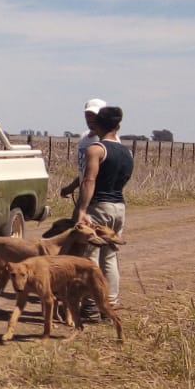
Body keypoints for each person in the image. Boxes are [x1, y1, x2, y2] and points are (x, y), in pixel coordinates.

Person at [74, 104, 132, 310]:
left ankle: (91, 305)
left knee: (91, 257)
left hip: (99, 206)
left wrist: (82, 209)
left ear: (98, 124)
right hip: (119, 207)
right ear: (118, 125)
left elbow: (89, 180)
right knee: (110, 256)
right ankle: (111, 304)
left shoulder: (96, 149)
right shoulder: (127, 152)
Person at [59, 98, 107, 204]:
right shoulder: (84, 138)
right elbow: (85, 171)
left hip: (100, 199)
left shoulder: (107, 141)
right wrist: (72, 187)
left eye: (94, 115)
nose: (90, 119)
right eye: (88, 115)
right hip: (85, 195)